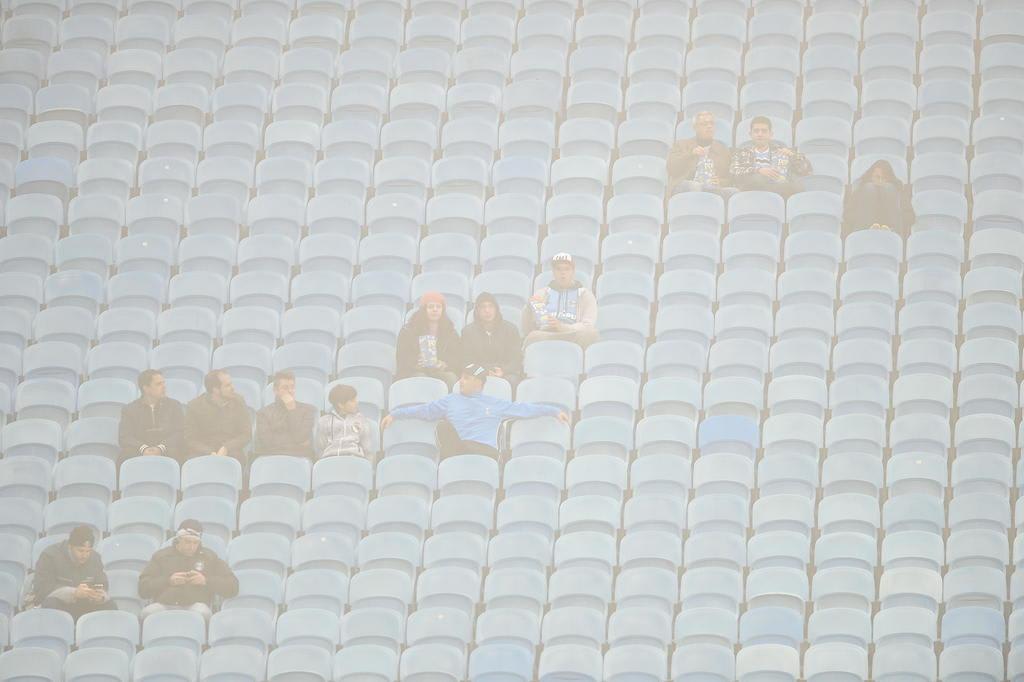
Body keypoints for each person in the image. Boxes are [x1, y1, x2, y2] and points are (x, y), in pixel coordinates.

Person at [381, 363, 569, 459]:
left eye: (467, 378)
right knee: (444, 428)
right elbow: (423, 411)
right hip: (459, 448)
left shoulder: (494, 403)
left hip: (484, 450)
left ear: (479, 383)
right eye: (461, 377)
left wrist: (553, 410)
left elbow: (525, 409)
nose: (461, 381)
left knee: (456, 440)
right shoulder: (450, 400)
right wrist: (395, 414)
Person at [138, 519, 238, 622]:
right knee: (147, 613)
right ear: (178, 540)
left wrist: (206, 581)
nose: (191, 547)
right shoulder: (161, 556)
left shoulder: (209, 557)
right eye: (187, 542)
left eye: (195, 543)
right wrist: (168, 581)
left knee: (203, 614)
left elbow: (233, 586)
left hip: (196, 606)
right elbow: (143, 589)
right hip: (165, 604)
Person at [29, 526, 117, 620]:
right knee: (51, 603)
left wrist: (99, 595)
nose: (84, 555)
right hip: (60, 604)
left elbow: (102, 583)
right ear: (70, 546)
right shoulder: (50, 556)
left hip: (85, 604)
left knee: (110, 605)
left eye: (88, 551)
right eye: (80, 551)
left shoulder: (95, 558)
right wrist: (73, 593)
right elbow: (42, 590)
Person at [522, 252, 599, 348]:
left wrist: (563, 327)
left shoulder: (586, 295)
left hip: (573, 334)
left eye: (567, 269)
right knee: (533, 336)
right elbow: (527, 328)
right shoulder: (541, 293)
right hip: (548, 334)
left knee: (591, 334)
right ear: (553, 272)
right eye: (558, 269)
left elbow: (588, 324)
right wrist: (528, 309)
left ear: (573, 271)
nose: (563, 273)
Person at [730, 116, 812, 199]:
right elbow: (733, 171)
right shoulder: (742, 152)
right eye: (756, 131)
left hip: (778, 187)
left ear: (770, 134)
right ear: (750, 134)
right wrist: (758, 170)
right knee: (757, 178)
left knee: (796, 186)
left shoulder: (781, 151)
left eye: (764, 131)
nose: (760, 134)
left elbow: (806, 170)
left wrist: (792, 155)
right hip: (752, 190)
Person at [396, 291, 463, 389]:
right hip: (414, 371)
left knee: (451, 378)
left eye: (438, 307)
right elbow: (401, 358)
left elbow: (457, 358)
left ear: (442, 310)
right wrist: (416, 363)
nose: (435, 310)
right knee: (422, 378)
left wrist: (443, 364)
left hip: (439, 370)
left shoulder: (450, 332)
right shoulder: (408, 331)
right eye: (431, 307)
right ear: (424, 309)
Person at [184, 370, 252, 464]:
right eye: (228, 385)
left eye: (231, 384)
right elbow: (190, 439)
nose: (233, 388)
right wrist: (209, 452)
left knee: (237, 460)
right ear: (215, 390)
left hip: (232, 451)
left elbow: (246, 434)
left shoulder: (239, 401)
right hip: (203, 453)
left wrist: (226, 447)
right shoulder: (194, 406)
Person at [118, 369, 186, 464]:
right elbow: (124, 437)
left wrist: (161, 447)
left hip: (167, 450)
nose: (164, 387)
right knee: (124, 456)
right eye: (159, 384)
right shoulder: (130, 409)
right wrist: (144, 448)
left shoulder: (174, 405)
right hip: (139, 451)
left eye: (163, 383)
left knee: (180, 452)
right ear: (146, 388)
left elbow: (180, 432)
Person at [667, 110, 736, 197]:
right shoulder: (681, 145)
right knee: (695, 186)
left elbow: (730, 177)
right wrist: (691, 154)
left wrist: (720, 181)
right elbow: (671, 168)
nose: (709, 126)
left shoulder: (722, 149)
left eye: (711, 123)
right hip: (686, 185)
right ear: (695, 128)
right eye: (704, 124)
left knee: (733, 192)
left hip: (712, 187)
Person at [461, 292, 523, 386]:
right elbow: (467, 361)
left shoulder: (511, 329)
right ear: (477, 310)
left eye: (491, 306)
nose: (487, 310)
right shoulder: (468, 332)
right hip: (478, 373)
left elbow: (516, 359)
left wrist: (503, 371)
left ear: (496, 309)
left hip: (505, 373)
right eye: (483, 307)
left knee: (512, 380)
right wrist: (484, 372)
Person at [253, 371, 317, 460]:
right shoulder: (263, 413)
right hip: (271, 456)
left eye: (292, 387)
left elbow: (301, 437)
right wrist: (295, 443)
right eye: (285, 388)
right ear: (275, 390)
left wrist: (292, 411)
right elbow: (267, 442)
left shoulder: (307, 410)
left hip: (298, 456)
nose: (290, 391)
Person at [843, 159, 915, 236]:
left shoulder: (897, 192)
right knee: (869, 188)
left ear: (889, 179)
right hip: (863, 231)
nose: (879, 181)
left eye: (883, 178)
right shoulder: (860, 191)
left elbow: (910, 217)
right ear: (870, 176)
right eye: (877, 177)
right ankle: (867, 228)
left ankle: (889, 229)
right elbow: (847, 215)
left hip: (892, 232)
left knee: (889, 188)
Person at [316, 383, 374, 460]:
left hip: (354, 459)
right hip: (330, 460)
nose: (357, 402)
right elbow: (320, 447)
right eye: (352, 401)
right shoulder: (324, 421)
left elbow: (367, 448)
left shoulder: (361, 420)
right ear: (341, 405)